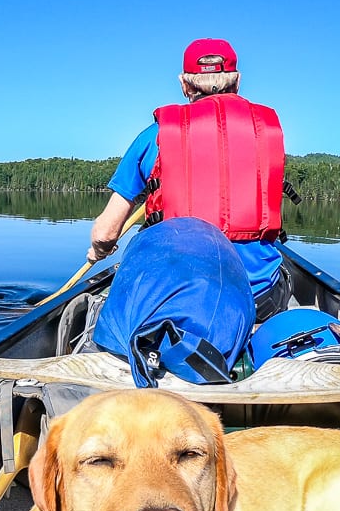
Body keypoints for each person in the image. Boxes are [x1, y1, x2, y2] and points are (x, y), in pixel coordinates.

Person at [87, 38, 292, 321]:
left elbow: (105, 232)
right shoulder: (264, 134)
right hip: (260, 299)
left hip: (178, 300)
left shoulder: (154, 136)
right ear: (238, 81)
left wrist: (100, 250)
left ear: (184, 84)